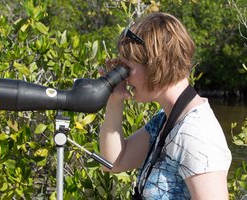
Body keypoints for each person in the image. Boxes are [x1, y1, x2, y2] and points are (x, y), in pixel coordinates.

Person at [99, 12, 232, 200]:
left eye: (128, 68)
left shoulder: (196, 134)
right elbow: (113, 162)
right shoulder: (166, 120)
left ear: (155, 65)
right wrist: (115, 99)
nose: (125, 77)